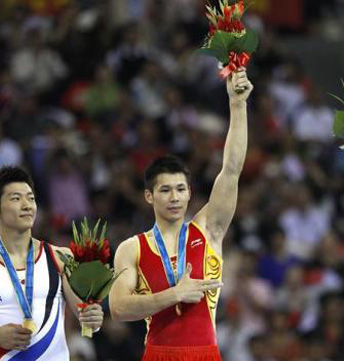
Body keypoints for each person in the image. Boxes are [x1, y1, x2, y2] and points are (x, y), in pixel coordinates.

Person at [109, 69, 253, 361]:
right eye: (165, 190)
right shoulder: (132, 248)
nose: (174, 197)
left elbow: (232, 169)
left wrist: (238, 105)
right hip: (159, 354)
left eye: (180, 189)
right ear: (149, 196)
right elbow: (118, 308)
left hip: (205, 353)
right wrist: (174, 294)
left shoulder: (208, 230)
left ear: (189, 193)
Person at [0, 165, 104, 360]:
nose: (27, 205)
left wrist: (94, 317)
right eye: (16, 198)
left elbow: (86, 317)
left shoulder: (60, 257)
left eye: (31, 198)